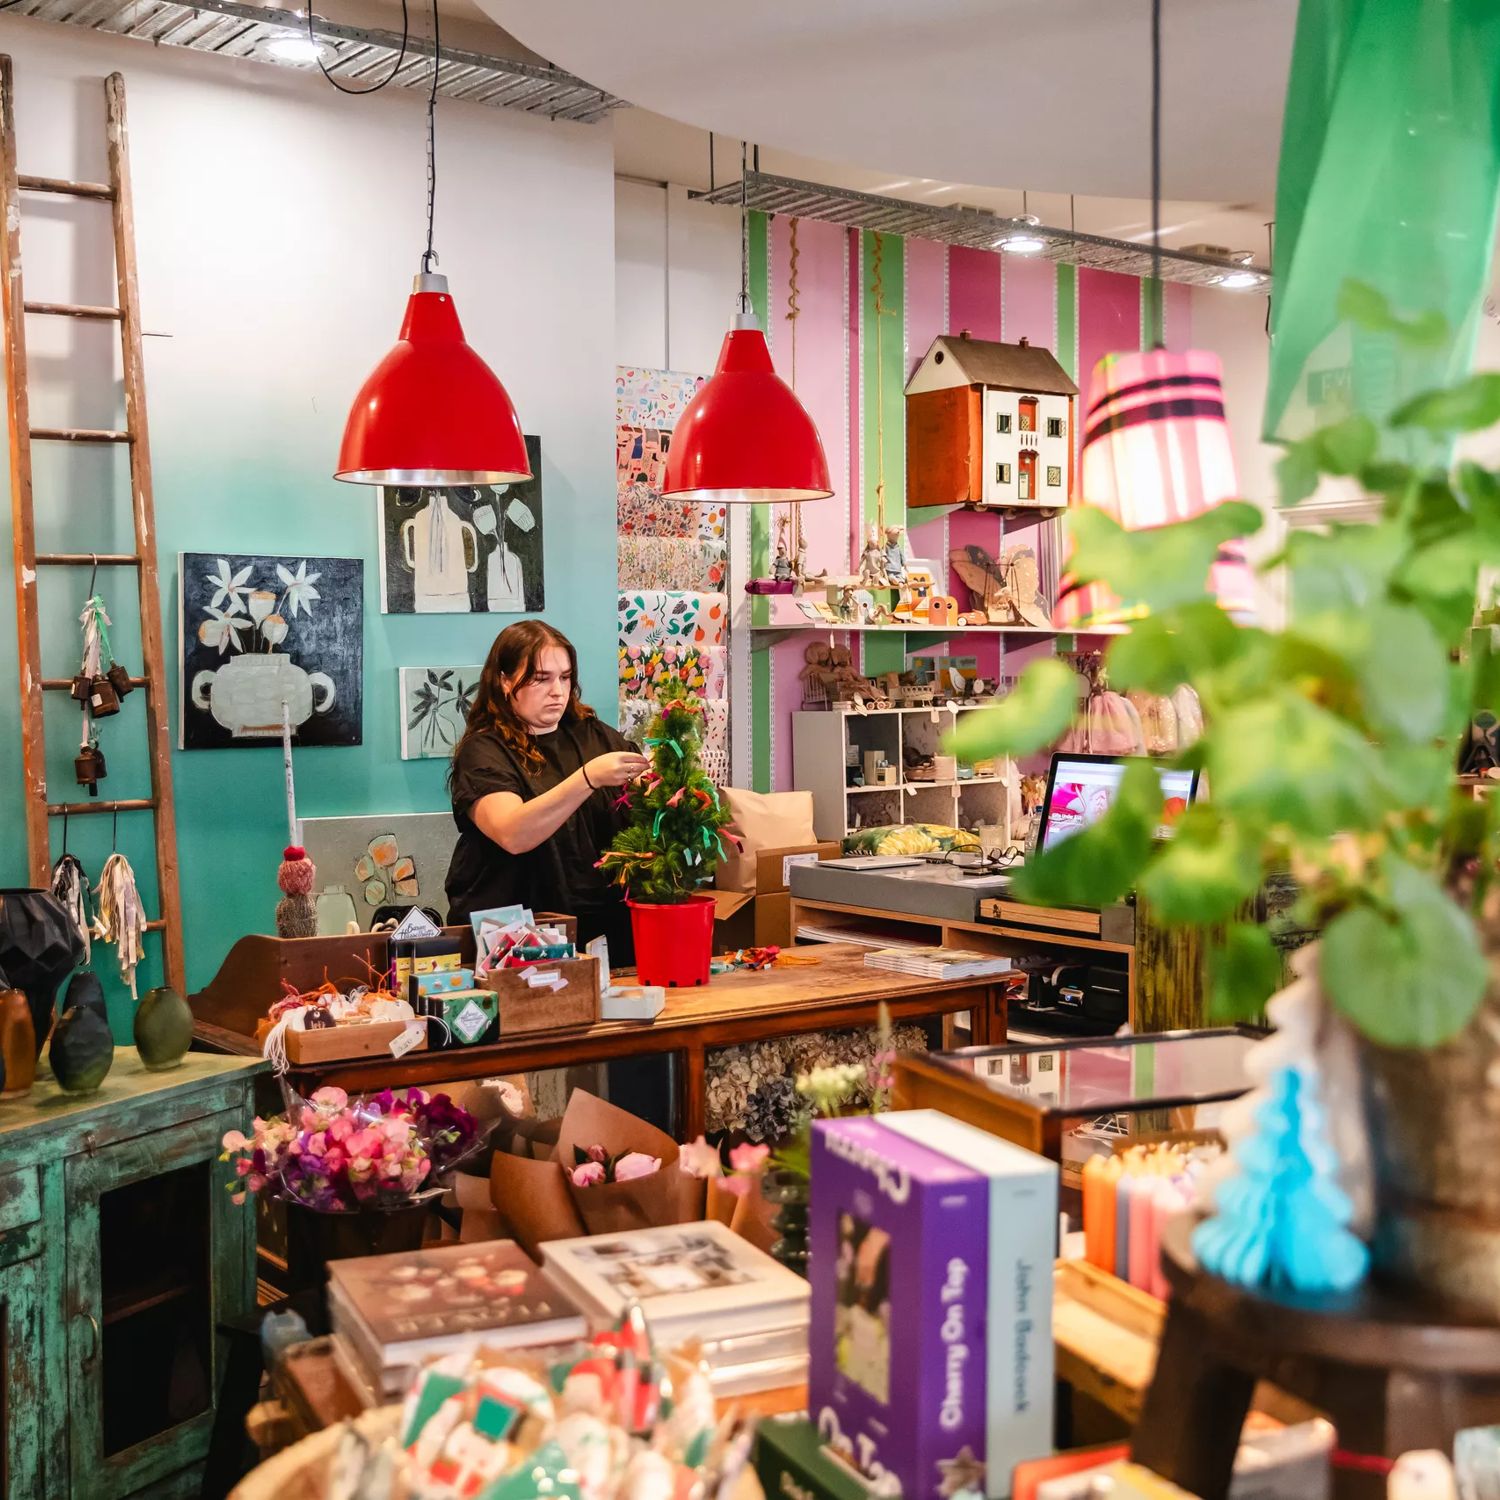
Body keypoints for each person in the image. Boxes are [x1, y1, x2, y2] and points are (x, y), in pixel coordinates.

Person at [446, 620, 649, 958]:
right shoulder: (484, 752)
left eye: (565, 677)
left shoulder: (596, 736)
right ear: (505, 680)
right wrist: (588, 778)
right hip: (516, 940)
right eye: (541, 679)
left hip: (607, 932)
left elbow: (648, 798)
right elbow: (513, 833)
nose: (557, 691)